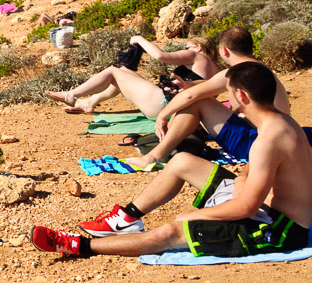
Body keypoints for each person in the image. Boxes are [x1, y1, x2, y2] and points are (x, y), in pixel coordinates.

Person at [29, 62, 312, 261]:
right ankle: (126, 217)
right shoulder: (278, 122)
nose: (225, 98)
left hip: (281, 228)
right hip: (263, 206)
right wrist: (240, 180)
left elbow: (247, 206)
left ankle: (78, 246)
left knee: (172, 230)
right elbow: (255, 169)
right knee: (183, 162)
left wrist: (195, 215)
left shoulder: (268, 139)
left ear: (242, 95)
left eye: (227, 92)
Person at [129, 29, 297, 169]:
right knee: (202, 101)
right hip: (282, 135)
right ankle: (165, 149)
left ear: (224, 50)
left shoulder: (237, 73)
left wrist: (162, 115)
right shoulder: (261, 68)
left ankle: (156, 154)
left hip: (259, 145)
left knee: (198, 102)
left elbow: (189, 95)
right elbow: (208, 85)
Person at [44, 35, 218, 117]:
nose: (185, 51)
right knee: (124, 73)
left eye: (188, 48)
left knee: (113, 71)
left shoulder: (197, 56)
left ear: (199, 48)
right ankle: (89, 103)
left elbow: (160, 56)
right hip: (179, 110)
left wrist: (139, 40)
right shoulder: (217, 71)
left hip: (163, 103)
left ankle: (72, 95)